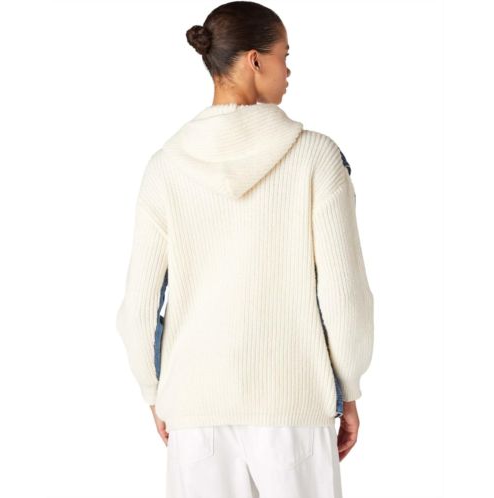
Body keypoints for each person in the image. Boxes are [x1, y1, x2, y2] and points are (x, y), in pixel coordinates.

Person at [116, 2, 374, 497]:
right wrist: (349, 389)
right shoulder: (316, 156)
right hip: (294, 406)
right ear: (255, 60)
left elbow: (139, 308)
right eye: (284, 55)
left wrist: (155, 392)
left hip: (195, 411)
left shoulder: (164, 167)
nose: (289, 70)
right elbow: (344, 297)